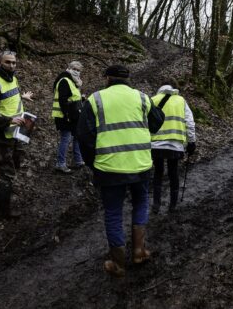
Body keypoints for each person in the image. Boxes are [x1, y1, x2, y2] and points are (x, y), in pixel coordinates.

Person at [77, 65, 164, 278]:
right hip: (140, 165)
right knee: (141, 203)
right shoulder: (142, 98)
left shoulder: (95, 99)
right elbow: (157, 122)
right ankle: (139, 251)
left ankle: (118, 263)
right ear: (128, 79)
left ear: (107, 78)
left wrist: (93, 163)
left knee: (114, 212)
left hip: (109, 168)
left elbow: (84, 136)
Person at [0, 50, 34, 220]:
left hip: (15, 134)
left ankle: (5, 195)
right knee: (6, 175)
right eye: (7, 62)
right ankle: (2, 214)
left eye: (14, 62)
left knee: (13, 168)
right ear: (0, 62)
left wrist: (22, 97)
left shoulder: (13, 78)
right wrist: (9, 120)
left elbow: (9, 99)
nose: (11, 65)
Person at [151, 80, 196, 213]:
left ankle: (156, 204)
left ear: (160, 88)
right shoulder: (181, 101)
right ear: (173, 87)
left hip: (155, 144)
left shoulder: (152, 100)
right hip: (175, 144)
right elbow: (189, 122)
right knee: (173, 173)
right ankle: (173, 205)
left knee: (158, 173)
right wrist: (191, 141)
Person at [52, 60, 85, 173]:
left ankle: (78, 161)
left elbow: (73, 98)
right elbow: (63, 100)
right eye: (74, 69)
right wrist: (67, 115)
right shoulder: (65, 80)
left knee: (77, 137)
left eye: (78, 70)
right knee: (66, 139)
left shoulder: (74, 82)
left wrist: (81, 100)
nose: (76, 72)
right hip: (64, 116)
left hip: (74, 115)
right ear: (69, 68)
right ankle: (60, 164)